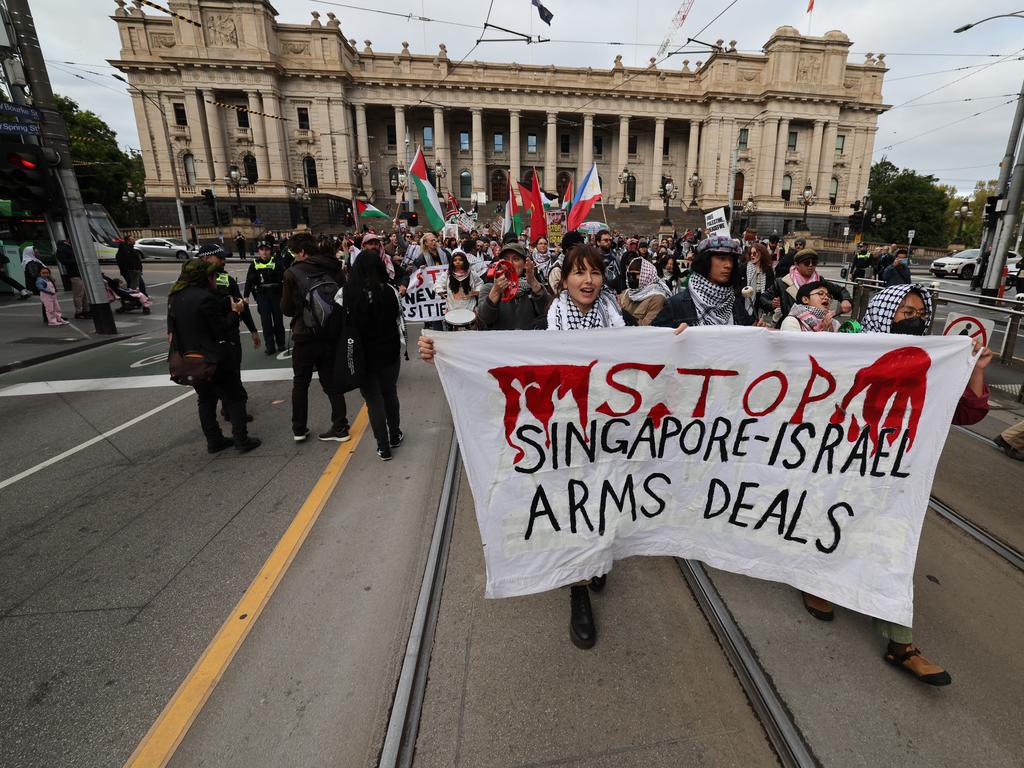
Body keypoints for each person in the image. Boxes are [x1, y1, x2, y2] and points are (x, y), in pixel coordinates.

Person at [418, 245, 625, 650]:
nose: (588, 281)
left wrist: (679, 339)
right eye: (579, 272)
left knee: (604, 505)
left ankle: (598, 558)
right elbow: (488, 358)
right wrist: (441, 350)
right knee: (572, 509)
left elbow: (662, 351)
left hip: (608, 441)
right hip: (561, 443)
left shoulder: (622, 322)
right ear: (563, 279)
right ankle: (577, 587)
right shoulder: (540, 329)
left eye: (595, 273)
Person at [800, 283, 992, 686]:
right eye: (905, 310)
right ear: (886, 311)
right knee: (833, 524)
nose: (914, 317)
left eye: (920, 310)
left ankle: (900, 644)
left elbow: (968, 413)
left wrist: (974, 370)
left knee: (890, 548)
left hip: (894, 474)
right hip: (844, 462)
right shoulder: (854, 348)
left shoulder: (932, 362)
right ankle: (817, 583)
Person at [167, 259, 260, 454]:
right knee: (235, 396)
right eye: (212, 276)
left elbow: (173, 330)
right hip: (214, 357)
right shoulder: (205, 298)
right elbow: (221, 329)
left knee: (206, 399)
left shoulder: (175, 297)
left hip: (190, 359)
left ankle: (214, 439)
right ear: (204, 277)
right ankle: (241, 439)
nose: (215, 280)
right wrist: (236, 312)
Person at [281, 233, 351, 442]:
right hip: (329, 332)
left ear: (302, 252)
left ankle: (299, 428)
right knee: (331, 382)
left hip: (304, 334)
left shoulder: (292, 272)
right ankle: (340, 427)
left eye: (295, 253)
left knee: (301, 382)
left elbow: (286, 308)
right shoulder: (333, 266)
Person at [337, 249, 404, 460]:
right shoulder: (390, 291)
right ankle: (395, 434)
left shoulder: (344, 293)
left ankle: (383, 446)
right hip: (388, 351)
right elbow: (398, 319)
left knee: (373, 400)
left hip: (361, 355)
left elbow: (339, 325)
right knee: (389, 393)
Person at [652, 236, 754, 329]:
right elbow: (654, 340)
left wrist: (758, 330)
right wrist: (673, 336)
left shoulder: (735, 302)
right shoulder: (676, 305)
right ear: (705, 261)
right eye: (721, 258)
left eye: (731, 260)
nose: (728, 265)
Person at [761, 248, 852, 325]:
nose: (811, 265)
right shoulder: (782, 282)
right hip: (791, 325)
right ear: (796, 264)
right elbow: (763, 298)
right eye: (806, 263)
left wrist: (845, 300)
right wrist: (771, 304)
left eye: (814, 263)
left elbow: (840, 290)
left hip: (815, 327)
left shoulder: (819, 281)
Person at [476, 243, 550, 330]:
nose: (510, 263)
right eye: (506, 259)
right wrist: (495, 291)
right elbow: (485, 318)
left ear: (524, 264)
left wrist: (534, 283)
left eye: (516, 259)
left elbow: (548, 313)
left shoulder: (533, 288)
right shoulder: (488, 288)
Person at [244, 242, 286, 355]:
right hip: (262, 295)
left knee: (278, 320)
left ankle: (281, 343)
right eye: (262, 249)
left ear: (270, 250)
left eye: (266, 249)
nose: (264, 252)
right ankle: (270, 346)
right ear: (259, 251)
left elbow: (285, 279)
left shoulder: (277, 262)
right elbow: (249, 281)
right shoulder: (254, 264)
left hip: (276, 294)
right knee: (266, 321)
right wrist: (246, 296)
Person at [619, 256, 671, 325]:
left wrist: (627, 317)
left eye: (635, 275)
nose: (631, 278)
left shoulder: (657, 298)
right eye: (630, 275)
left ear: (646, 275)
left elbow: (647, 328)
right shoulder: (626, 293)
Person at [55, 238, 88, 319]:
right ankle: (79, 312)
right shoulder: (63, 249)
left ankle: (85, 310)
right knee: (79, 294)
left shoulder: (70, 248)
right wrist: (77, 260)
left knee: (83, 294)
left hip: (78, 273)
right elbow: (64, 261)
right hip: (75, 273)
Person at [742, 242, 773, 321]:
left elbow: (771, 286)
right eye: (750, 253)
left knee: (759, 320)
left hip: (761, 298)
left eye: (754, 253)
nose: (752, 255)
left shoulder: (767, 269)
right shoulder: (745, 267)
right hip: (748, 297)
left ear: (761, 254)